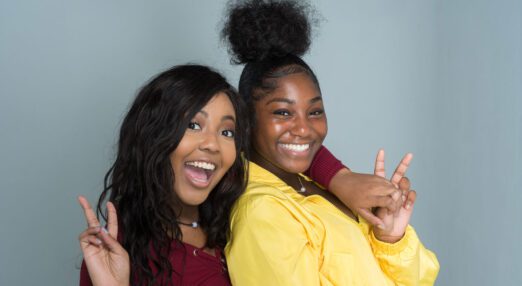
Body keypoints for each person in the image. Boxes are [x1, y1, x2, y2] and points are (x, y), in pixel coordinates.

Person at [221, 0, 440, 285]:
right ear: (246, 118)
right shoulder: (261, 213)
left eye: (314, 112)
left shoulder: (318, 182)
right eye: (283, 112)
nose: (304, 128)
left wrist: (390, 238)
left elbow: (420, 280)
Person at [78, 64, 248, 286]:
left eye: (227, 132)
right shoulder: (114, 252)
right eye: (193, 125)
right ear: (154, 136)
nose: (213, 145)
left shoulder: (241, 223)